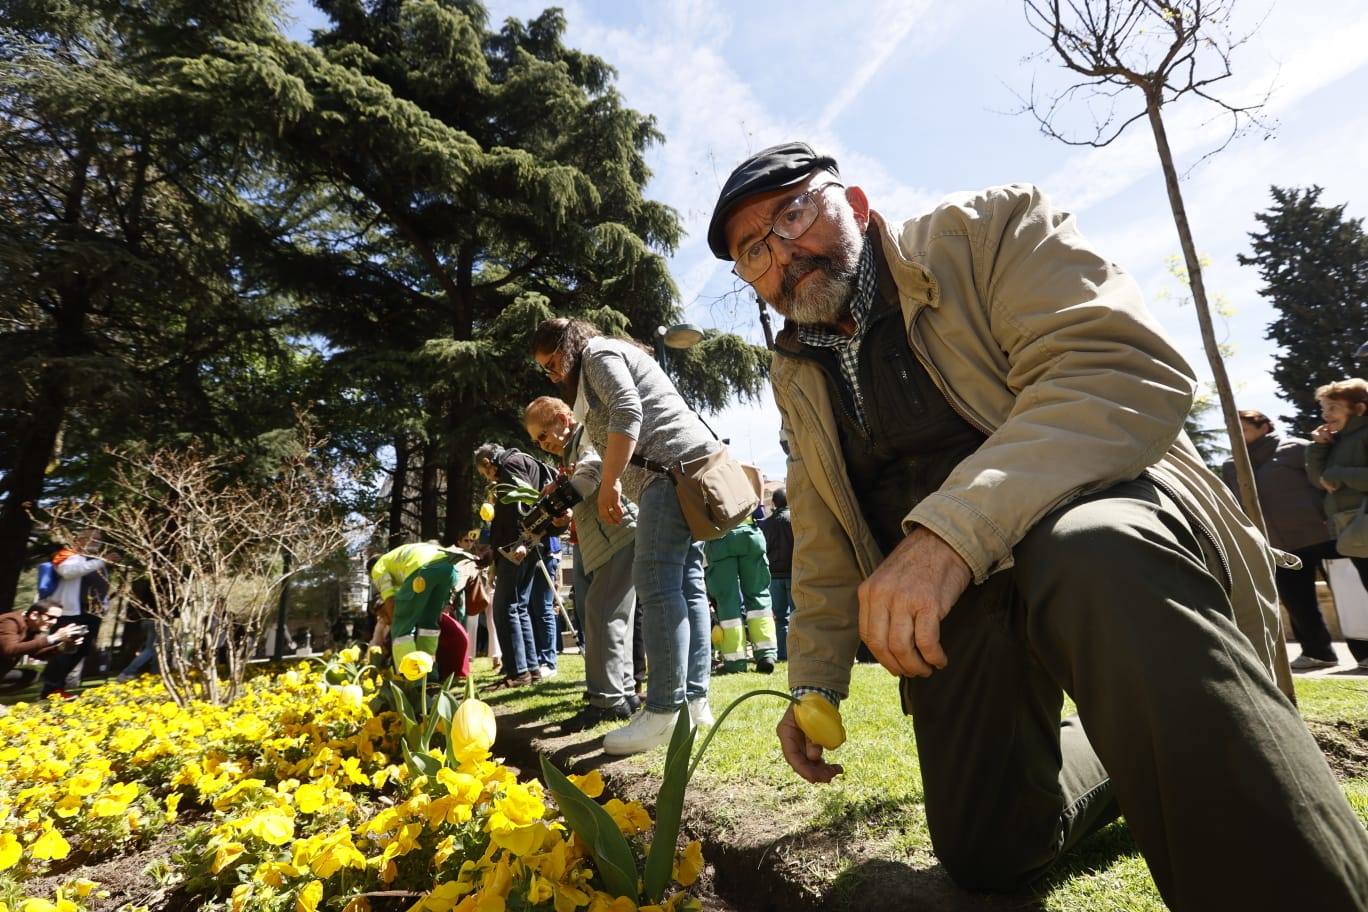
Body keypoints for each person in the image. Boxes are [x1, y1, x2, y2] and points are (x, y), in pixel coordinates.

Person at [707, 142, 1368, 909]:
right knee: (988, 848)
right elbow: (821, 530)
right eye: (754, 250)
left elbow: (1113, 370)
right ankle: (1140, 746)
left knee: (1093, 550)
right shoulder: (795, 369)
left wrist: (949, 534)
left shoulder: (991, 230)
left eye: (794, 213)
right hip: (961, 601)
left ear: (853, 204)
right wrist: (815, 681)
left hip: (1095, 517)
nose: (785, 253)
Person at [530, 317, 717, 754]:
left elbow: (628, 409)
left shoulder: (596, 354)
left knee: (655, 583)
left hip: (666, 474)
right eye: (546, 369)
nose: (554, 374)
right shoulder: (606, 357)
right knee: (688, 585)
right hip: (684, 467)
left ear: (571, 345)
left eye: (554, 362)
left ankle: (662, 712)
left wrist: (612, 480)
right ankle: (694, 702)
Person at [525, 395, 640, 729]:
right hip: (614, 534)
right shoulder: (571, 449)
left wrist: (553, 502)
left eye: (543, 435)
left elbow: (591, 474)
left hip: (616, 533)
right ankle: (624, 692)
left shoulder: (584, 437)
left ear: (563, 419)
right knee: (615, 616)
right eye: (536, 441)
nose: (542, 444)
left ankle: (606, 700)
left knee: (602, 614)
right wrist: (563, 504)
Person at [1220, 410, 1350, 670]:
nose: (1236, 434)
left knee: (1350, 594)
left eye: (1242, 428)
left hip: (1323, 535)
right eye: (1231, 429)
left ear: (1265, 426)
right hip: (1278, 545)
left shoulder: (1296, 449)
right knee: (1297, 602)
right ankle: (1318, 652)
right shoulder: (1231, 465)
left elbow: (1323, 482)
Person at [474, 442, 558, 687]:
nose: (488, 477)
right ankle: (530, 670)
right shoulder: (522, 460)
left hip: (518, 547)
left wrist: (519, 542)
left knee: (505, 607)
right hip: (528, 544)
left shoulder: (510, 464)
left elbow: (521, 506)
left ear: (488, 463)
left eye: (485, 473)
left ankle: (518, 673)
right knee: (519, 607)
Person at [1307, 378, 1368, 670]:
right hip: (1351, 530)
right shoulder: (1336, 441)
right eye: (1323, 408)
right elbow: (1319, 480)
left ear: (1358, 408)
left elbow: (1333, 476)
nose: (1325, 414)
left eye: (1333, 407)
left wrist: (1339, 472)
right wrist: (1318, 447)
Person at [367, 542, 469, 671]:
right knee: (429, 624)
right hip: (449, 568)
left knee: (401, 628)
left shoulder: (378, 568)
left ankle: (411, 676)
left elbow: (390, 600)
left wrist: (396, 623)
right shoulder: (395, 559)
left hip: (423, 570)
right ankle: (429, 674)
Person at [41, 531, 112, 698]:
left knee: (82, 650)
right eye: (90, 538)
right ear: (78, 540)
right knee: (65, 649)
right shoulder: (68, 555)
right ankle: (51, 688)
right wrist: (102, 561)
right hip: (70, 612)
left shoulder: (94, 560)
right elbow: (67, 572)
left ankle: (56, 686)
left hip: (91, 613)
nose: (94, 542)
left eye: (98, 539)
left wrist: (105, 605)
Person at [703, 519, 778, 673]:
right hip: (749, 533)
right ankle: (766, 654)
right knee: (758, 597)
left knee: (727, 603)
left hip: (720, 539)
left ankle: (735, 662)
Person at [0, 598, 84, 686]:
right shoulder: (10, 621)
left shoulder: (32, 628)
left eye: (57, 619)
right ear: (34, 615)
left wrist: (63, 646)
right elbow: (9, 650)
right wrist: (55, 637)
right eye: (51, 617)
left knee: (31, 676)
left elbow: (37, 653)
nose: (54, 622)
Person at [759, 487, 794, 661]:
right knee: (798, 616)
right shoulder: (796, 520)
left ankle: (783, 653)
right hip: (794, 573)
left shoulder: (766, 524)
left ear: (773, 503)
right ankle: (799, 653)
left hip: (774, 575)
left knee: (780, 618)